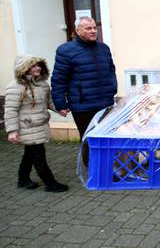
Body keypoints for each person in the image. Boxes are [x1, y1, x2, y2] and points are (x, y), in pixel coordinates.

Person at [51, 17, 117, 166]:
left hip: (105, 101)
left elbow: (111, 70)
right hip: (83, 104)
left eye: (94, 27)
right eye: (88, 28)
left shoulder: (103, 48)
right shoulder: (65, 51)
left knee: (106, 136)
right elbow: (58, 79)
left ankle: (107, 167)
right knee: (88, 138)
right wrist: (60, 103)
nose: (93, 31)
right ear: (77, 31)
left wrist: (112, 88)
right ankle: (92, 169)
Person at [4, 55, 68, 192]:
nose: (38, 68)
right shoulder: (15, 87)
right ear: (24, 68)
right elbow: (10, 110)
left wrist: (60, 110)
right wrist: (12, 131)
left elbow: (49, 102)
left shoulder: (43, 84)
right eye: (33, 65)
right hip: (26, 127)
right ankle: (50, 183)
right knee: (39, 154)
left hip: (40, 125)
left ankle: (23, 179)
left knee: (30, 154)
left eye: (39, 65)